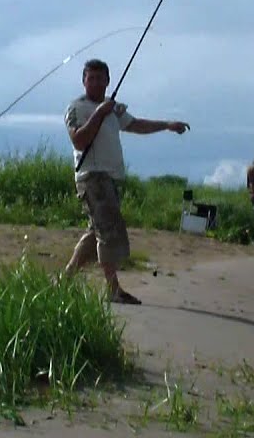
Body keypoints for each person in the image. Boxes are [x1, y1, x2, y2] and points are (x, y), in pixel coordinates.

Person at [60, 59, 190, 305]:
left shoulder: (114, 109)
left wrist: (167, 125)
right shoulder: (76, 107)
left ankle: (65, 279)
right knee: (108, 232)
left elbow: (135, 124)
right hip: (92, 176)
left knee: (95, 232)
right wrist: (99, 113)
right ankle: (113, 289)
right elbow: (79, 140)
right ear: (84, 81)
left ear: (108, 81)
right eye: (91, 78)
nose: (96, 82)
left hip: (110, 177)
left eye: (101, 78)